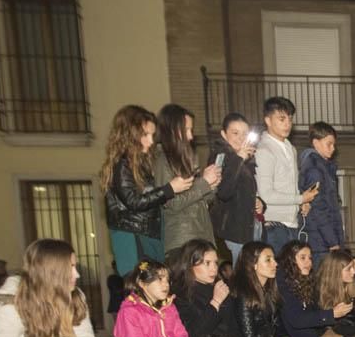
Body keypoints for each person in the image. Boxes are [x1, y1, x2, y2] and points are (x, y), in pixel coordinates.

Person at [102, 104, 191, 275]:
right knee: (140, 288)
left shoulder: (140, 162)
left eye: (152, 135)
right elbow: (133, 201)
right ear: (130, 135)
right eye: (145, 135)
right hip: (132, 235)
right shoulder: (122, 164)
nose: (151, 141)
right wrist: (169, 189)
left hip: (148, 233)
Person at [154, 104, 220, 261]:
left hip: (200, 236)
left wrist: (212, 186)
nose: (191, 136)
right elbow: (172, 203)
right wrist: (204, 183)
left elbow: (200, 200)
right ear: (173, 130)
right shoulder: (163, 160)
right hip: (182, 241)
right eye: (187, 130)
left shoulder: (185, 159)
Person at [255, 96, 319, 255]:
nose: (287, 124)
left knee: (291, 276)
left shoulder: (290, 148)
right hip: (274, 225)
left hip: (291, 223)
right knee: (278, 276)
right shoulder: (264, 150)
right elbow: (266, 195)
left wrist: (300, 203)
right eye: (282, 119)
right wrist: (300, 199)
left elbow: (290, 186)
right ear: (268, 121)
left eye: (290, 119)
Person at [276, 240, 348, 337]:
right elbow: (296, 320)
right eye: (302, 258)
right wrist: (331, 314)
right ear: (290, 260)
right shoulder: (282, 284)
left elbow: (315, 313)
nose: (308, 262)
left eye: (309, 258)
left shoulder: (303, 283)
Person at [208, 112, 264, 263]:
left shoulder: (244, 158)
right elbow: (224, 191)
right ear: (223, 135)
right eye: (235, 133)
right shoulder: (221, 156)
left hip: (249, 227)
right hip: (234, 231)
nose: (241, 138)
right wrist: (239, 158)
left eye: (245, 133)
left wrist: (259, 202)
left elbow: (245, 191)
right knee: (241, 277)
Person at [231, 241, 290, 337]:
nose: (275, 264)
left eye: (274, 259)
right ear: (253, 265)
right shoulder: (243, 295)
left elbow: (279, 325)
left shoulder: (270, 291)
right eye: (268, 260)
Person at [170, 238, 234, 337]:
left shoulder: (219, 287)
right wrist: (215, 302)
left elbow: (233, 325)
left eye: (215, 263)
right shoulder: (180, 295)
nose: (214, 268)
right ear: (190, 265)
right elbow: (194, 335)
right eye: (207, 263)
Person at [298, 121, 344, 264]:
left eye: (334, 144)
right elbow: (319, 209)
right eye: (328, 144)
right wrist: (332, 241)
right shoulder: (315, 169)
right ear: (316, 143)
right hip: (320, 242)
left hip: (322, 239)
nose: (332, 148)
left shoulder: (324, 167)